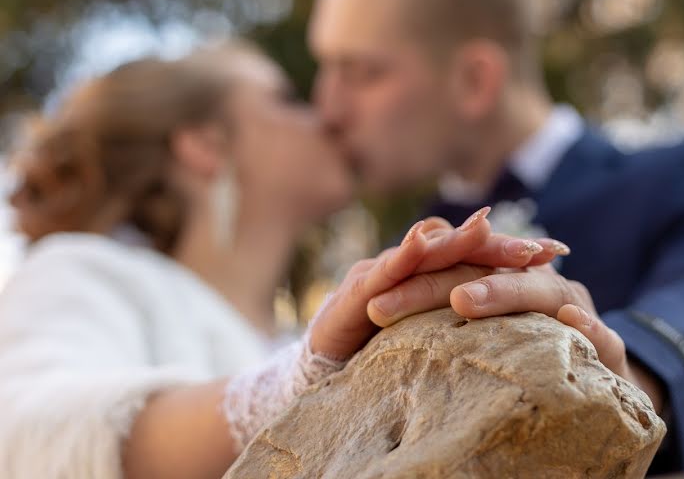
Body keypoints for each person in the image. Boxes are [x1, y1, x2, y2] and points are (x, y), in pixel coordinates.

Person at [308, 0, 684, 473]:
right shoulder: (396, 260)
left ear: (475, 80)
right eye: (325, 67)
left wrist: (622, 375)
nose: (328, 108)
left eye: (362, 72)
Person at [0, 41, 579, 479]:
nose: (325, 114)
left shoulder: (289, 335)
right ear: (205, 145)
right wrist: (297, 385)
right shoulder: (82, 270)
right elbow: (28, 431)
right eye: (285, 99)